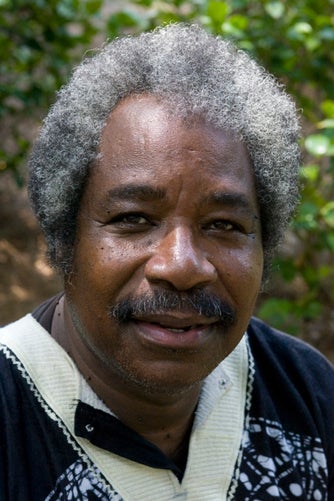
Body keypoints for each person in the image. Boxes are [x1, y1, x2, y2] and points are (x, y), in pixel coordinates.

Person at [0, 23, 333, 501]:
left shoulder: (304, 392)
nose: (181, 266)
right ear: (65, 237)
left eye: (223, 225)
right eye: (133, 218)